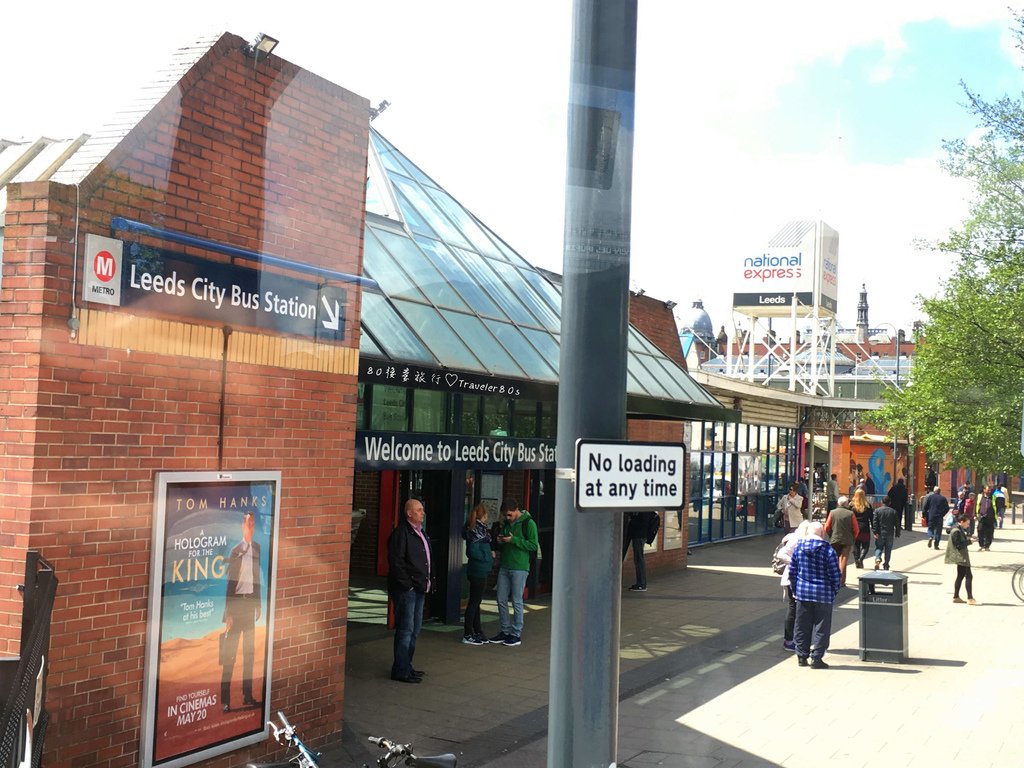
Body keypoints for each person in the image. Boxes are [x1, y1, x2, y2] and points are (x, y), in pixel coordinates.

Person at [387, 498, 432, 683]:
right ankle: (400, 670)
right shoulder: (401, 533)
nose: (423, 513)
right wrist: (408, 584)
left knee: (415, 629)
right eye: (419, 510)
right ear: (409, 513)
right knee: (406, 630)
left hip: (419, 588)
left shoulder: (420, 532)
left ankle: (407, 665)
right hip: (407, 590)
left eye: (422, 509)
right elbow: (396, 562)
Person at [222, 511, 261, 712]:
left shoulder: (256, 548)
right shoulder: (236, 551)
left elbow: (257, 579)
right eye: (248, 523)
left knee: (249, 653)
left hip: (249, 605)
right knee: (230, 654)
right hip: (236, 607)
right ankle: (226, 700)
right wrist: (228, 613)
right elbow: (230, 583)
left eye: (253, 523)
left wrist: (259, 605)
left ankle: (247, 695)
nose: (251, 526)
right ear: (242, 527)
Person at [788, 521, 842, 669]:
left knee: (802, 625)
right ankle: (817, 658)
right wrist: (834, 590)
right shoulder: (828, 551)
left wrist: (795, 589)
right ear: (822, 534)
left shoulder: (798, 549)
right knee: (822, 627)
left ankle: (801, 656)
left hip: (803, 593)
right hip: (823, 594)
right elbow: (835, 575)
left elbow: (792, 571)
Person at [489, 499, 538, 647]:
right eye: (505, 516)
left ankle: (516, 633)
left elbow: (533, 545)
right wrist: (501, 540)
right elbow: (505, 540)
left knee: (517, 600)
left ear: (517, 509)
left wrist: (514, 540)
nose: (507, 518)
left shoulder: (529, 523)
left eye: (510, 515)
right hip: (505, 565)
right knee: (501, 598)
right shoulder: (507, 524)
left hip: (520, 567)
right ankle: (505, 630)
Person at [461, 503, 493, 645]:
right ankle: (468, 633)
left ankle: (477, 630)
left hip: (479, 569)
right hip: (478, 570)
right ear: (483, 516)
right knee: (474, 602)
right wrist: (488, 557)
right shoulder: (477, 531)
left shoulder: (477, 530)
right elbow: (472, 552)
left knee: (476, 601)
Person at [823, 495, 859, 586]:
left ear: (838, 503)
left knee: (834, 560)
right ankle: (841, 581)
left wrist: (831, 535)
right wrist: (853, 537)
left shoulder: (832, 512)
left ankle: (832, 579)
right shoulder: (851, 514)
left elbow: (826, 527)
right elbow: (856, 529)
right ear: (847, 504)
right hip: (847, 540)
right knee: (843, 560)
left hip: (834, 539)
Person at [623, 511, 659, 592]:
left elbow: (642, 522)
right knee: (639, 559)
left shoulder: (644, 510)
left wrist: (631, 520)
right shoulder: (645, 509)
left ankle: (641, 584)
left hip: (639, 535)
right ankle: (641, 583)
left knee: (639, 559)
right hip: (639, 534)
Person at [945, 513, 977, 605]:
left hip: (961, 556)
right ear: (961, 522)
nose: (968, 525)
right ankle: (970, 598)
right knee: (968, 576)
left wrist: (969, 540)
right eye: (967, 523)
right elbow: (958, 545)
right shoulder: (956, 531)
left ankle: (956, 597)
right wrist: (970, 541)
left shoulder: (958, 529)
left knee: (960, 576)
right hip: (961, 557)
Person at [871, 495, 900, 570]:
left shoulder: (877, 511)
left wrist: (875, 532)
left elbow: (875, 523)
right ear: (889, 503)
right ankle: (886, 564)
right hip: (890, 533)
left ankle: (877, 558)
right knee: (888, 549)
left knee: (878, 547)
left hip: (880, 533)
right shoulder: (893, 511)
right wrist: (897, 533)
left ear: (881, 502)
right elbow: (897, 523)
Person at [849, 492, 873, 569]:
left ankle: (857, 561)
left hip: (855, 528)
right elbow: (871, 518)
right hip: (865, 528)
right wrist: (874, 528)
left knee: (856, 546)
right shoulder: (867, 505)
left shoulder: (852, 505)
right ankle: (861, 559)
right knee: (865, 546)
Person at [975, 485, 996, 551]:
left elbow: (996, 506)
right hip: (981, 517)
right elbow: (976, 505)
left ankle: (987, 546)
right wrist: (975, 515)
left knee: (989, 532)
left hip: (990, 517)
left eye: (990, 490)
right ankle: (981, 545)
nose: (989, 491)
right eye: (988, 490)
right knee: (980, 530)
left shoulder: (993, 497)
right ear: (984, 490)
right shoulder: (980, 497)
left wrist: (998, 515)